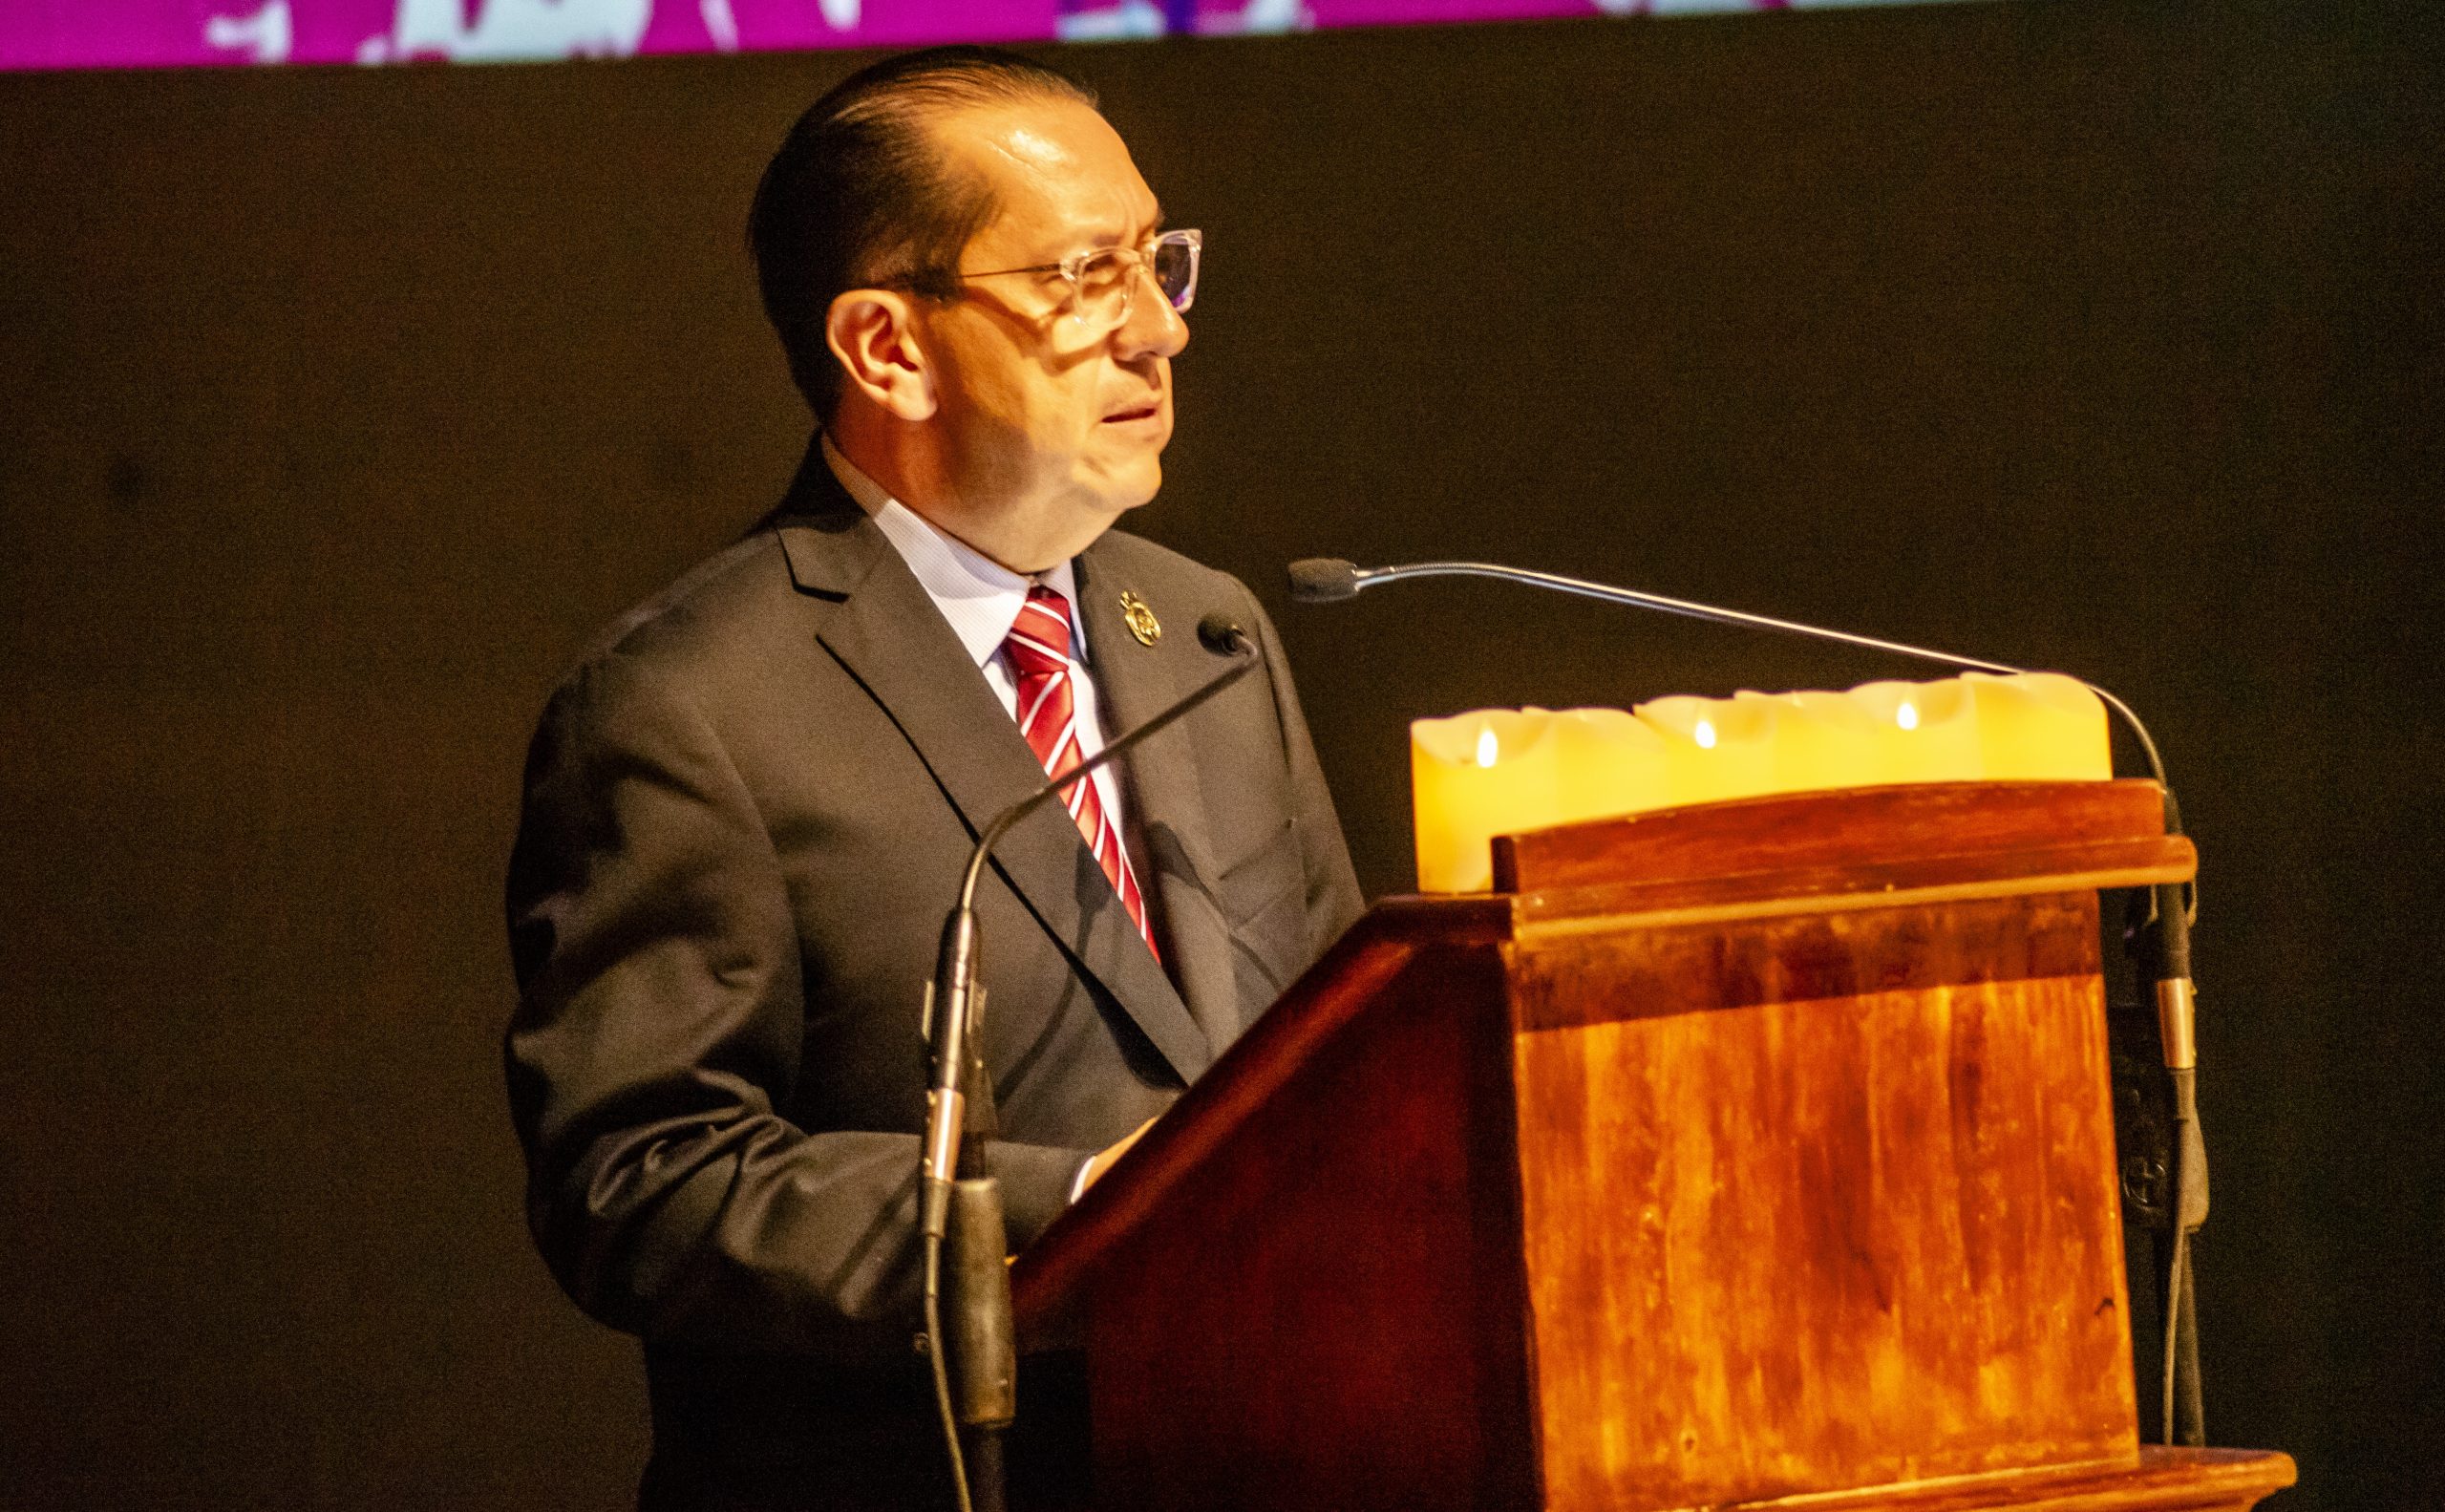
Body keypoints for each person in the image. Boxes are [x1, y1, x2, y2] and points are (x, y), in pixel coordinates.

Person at [503, 46, 1364, 1511]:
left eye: (1159, 263)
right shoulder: (688, 703)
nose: (1159, 328)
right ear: (887, 347)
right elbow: (642, 1186)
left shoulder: (1207, 630)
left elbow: (1346, 1056)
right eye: (1087, 277)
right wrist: (1085, 1216)